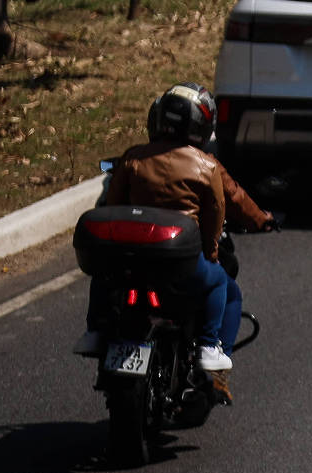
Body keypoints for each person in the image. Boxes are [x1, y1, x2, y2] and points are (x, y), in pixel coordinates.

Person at [73, 83, 271, 372]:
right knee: (220, 283)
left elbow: (112, 206)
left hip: (131, 255)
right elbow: (216, 212)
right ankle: (208, 347)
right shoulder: (206, 166)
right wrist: (212, 250)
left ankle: (93, 332)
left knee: (106, 274)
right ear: (202, 126)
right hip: (179, 261)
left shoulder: (133, 156)